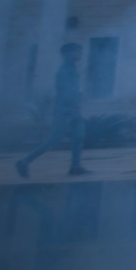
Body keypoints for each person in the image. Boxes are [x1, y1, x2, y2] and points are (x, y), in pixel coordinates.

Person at [16, 42, 87, 177]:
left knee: (79, 136)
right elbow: (64, 90)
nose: (80, 54)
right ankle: (24, 162)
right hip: (65, 110)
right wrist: (72, 104)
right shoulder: (64, 70)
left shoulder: (72, 68)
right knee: (54, 140)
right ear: (66, 54)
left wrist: (78, 99)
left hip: (73, 108)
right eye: (76, 51)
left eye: (80, 51)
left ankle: (75, 167)